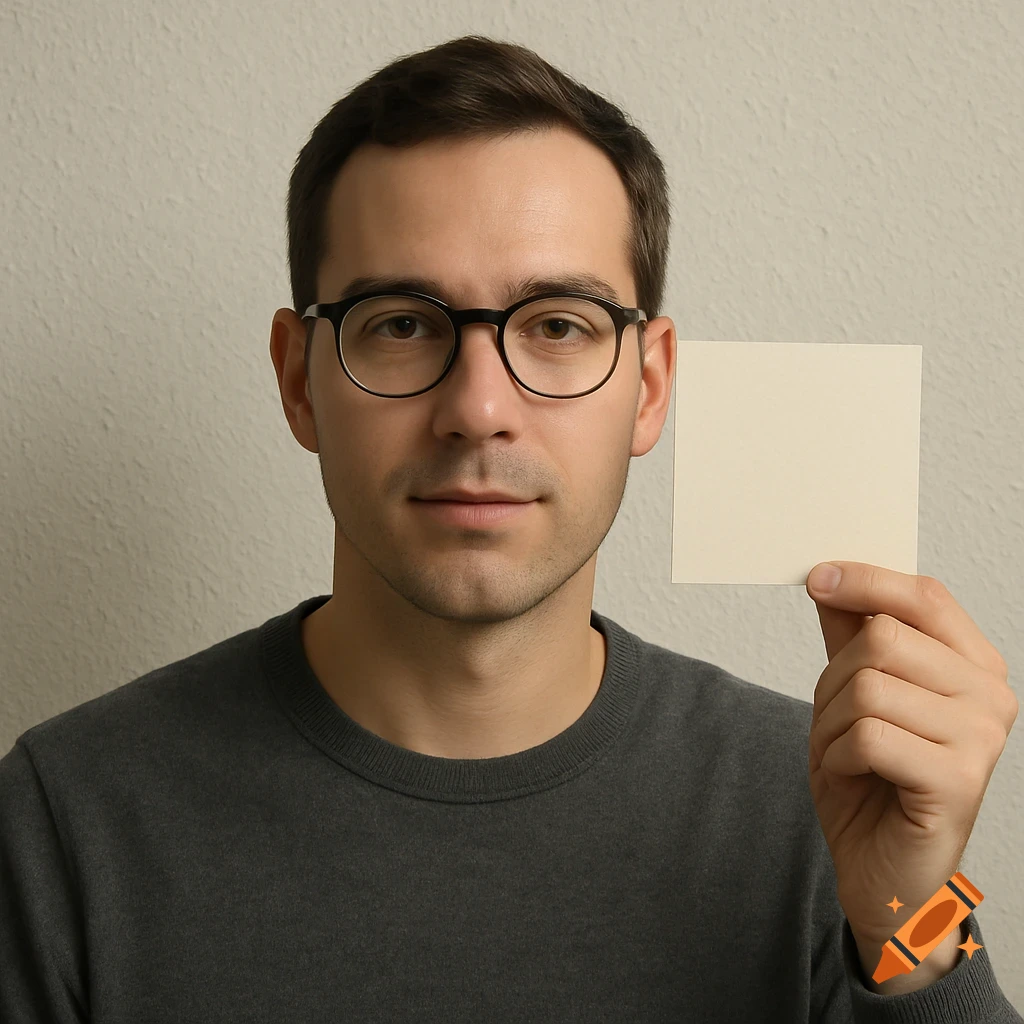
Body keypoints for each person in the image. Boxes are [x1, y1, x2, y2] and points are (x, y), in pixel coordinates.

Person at [1, 34, 1019, 1023]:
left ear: (649, 384)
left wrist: (911, 924)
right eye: (401, 322)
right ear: (297, 379)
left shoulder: (816, 794)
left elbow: (912, 935)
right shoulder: (64, 818)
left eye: (558, 325)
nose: (478, 406)